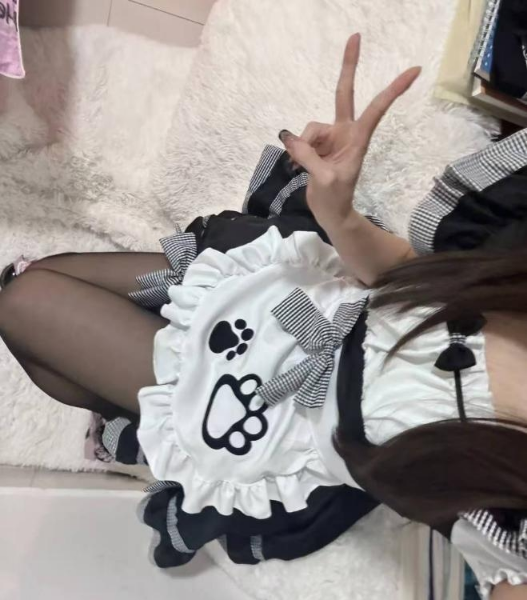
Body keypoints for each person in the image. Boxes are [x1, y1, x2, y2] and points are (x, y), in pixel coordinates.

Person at [1, 34, 526, 599]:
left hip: (276, 423)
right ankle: (134, 416)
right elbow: (408, 274)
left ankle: (143, 422)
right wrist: (340, 215)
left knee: (24, 302)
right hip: (293, 304)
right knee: (32, 282)